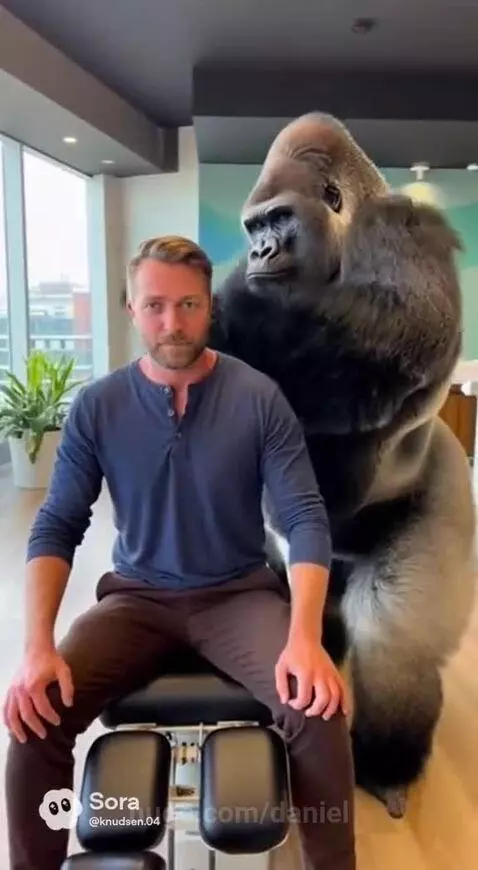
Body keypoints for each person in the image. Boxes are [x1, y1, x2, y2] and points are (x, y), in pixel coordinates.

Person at [3, 235, 356, 870]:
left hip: (239, 594)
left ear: (209, 307)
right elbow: (57, 523)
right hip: (136, 599)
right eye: (156, 305)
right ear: (131, 309)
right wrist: (38, 647)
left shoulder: (258, 397)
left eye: (189, 304)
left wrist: (305, 637)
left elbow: (303, 516)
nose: (173, 322)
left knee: (318, 708)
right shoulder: (97, 406)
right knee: (34, 717)